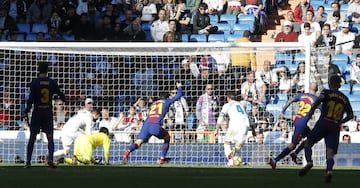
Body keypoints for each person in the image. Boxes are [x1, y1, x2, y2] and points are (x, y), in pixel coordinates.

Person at [298, 75, 354, 183]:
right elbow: (351, 115)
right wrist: (341, 121)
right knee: (330, 152)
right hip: (335, 126)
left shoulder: (326, 92)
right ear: (339, 85)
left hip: (324, 122)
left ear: (330, 83)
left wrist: (311, 111)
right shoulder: (345, 98)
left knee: (308, 143)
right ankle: (328, 171)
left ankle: (309, 162)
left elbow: (320, 99)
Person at [122, 82, 183, 165]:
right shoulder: (166, 101)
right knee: (167, 137)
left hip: (146, 125)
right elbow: (179, 95)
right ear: (167, 97)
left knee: (138, 143)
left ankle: (127, 151)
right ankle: (162, 158)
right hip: (155, 125)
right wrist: (179, 87)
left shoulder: (154, 103)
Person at [23, 62, 66, 168]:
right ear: (48, 70)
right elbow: (61, 95)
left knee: (32, 137)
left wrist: (27, 111)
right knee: (50, 138)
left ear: (38, 70)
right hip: (47, 112)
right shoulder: (52, 82)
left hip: (37, 111)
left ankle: (28, 162)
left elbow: (31, 99)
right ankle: (50, 159)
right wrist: (63, 98)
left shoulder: (35, 82)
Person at [269, 82, 318, 169]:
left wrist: (282, 111)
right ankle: (275, 160)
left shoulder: (302, 95)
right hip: (302, 123)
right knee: (293, 145)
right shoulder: (316, 99)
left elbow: (290, 100)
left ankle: (295, 154)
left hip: (298, 120)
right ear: (317, 90)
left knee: (311, 138)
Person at [214, 91, 254, 166]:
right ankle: (236, 159)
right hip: (245, 125)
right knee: (238, 144)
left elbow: (220, 117)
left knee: (227, 143)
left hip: (234, 126)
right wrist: (253, 130)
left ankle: (231, 161)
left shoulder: (227, 105)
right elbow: (248, 117)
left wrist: (216, 129)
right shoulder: (241, 105)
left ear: (228, 98)